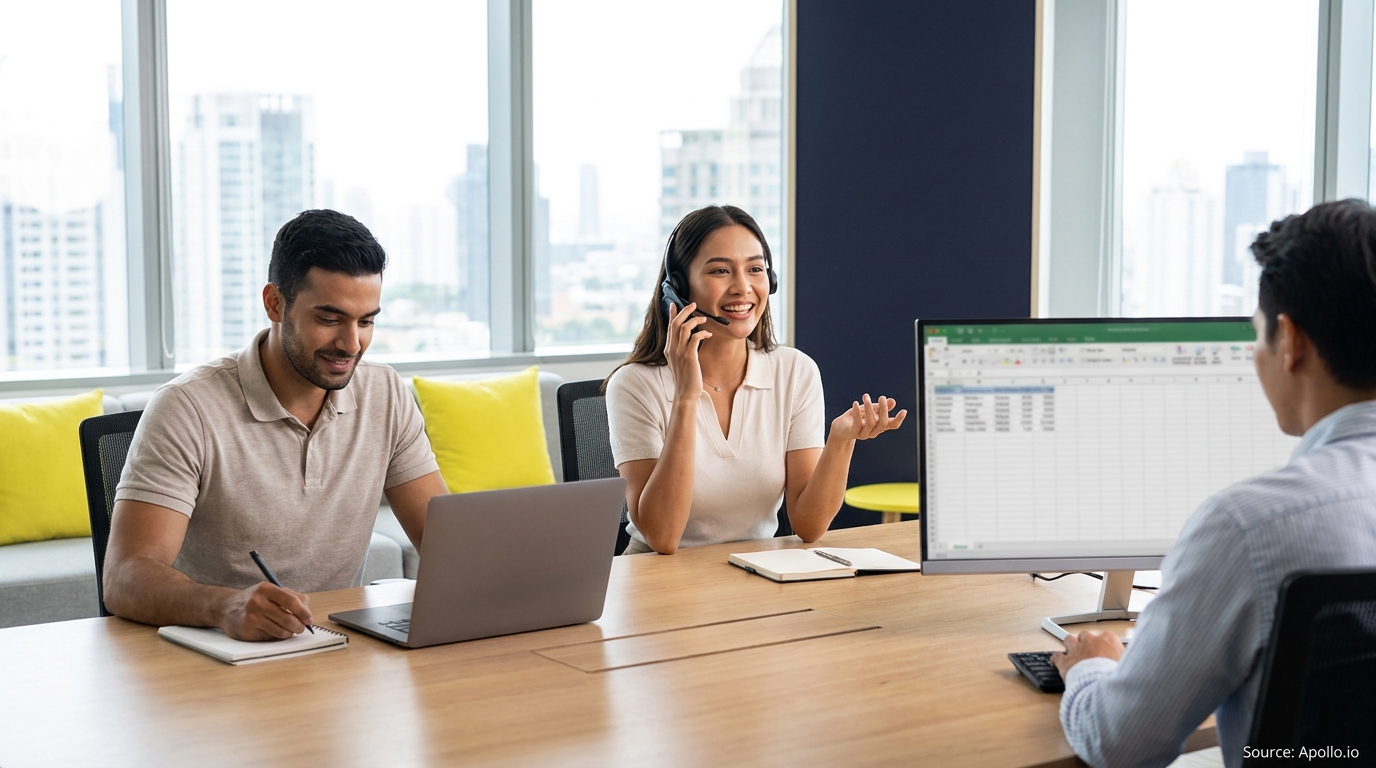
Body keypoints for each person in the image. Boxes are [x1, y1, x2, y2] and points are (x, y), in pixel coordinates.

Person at [1051, 199, 1376, 767]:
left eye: (1256, 335)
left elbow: (1123, 744)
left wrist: (1093, 666)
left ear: (1290, 341)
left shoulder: (1251, 526)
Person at [103, 210, 448, 641]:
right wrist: (222, 605)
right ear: (275, 304)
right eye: (329, 319)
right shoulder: (187, 407)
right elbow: (124, 577)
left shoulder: (386, 393)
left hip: (334, 647)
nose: (351, 344)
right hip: (215, 653)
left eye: (366, 321)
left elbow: (446, 546)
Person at [605, 205, 906, 555]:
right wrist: (687, 396)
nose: (743, 287)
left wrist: (840, 440)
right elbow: (662, 537)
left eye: (755, 269)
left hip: (755, 572)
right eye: (720, 270)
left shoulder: (794, 371)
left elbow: (809, 526)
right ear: (678, 287)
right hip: (659, 582)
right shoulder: (634, 385)